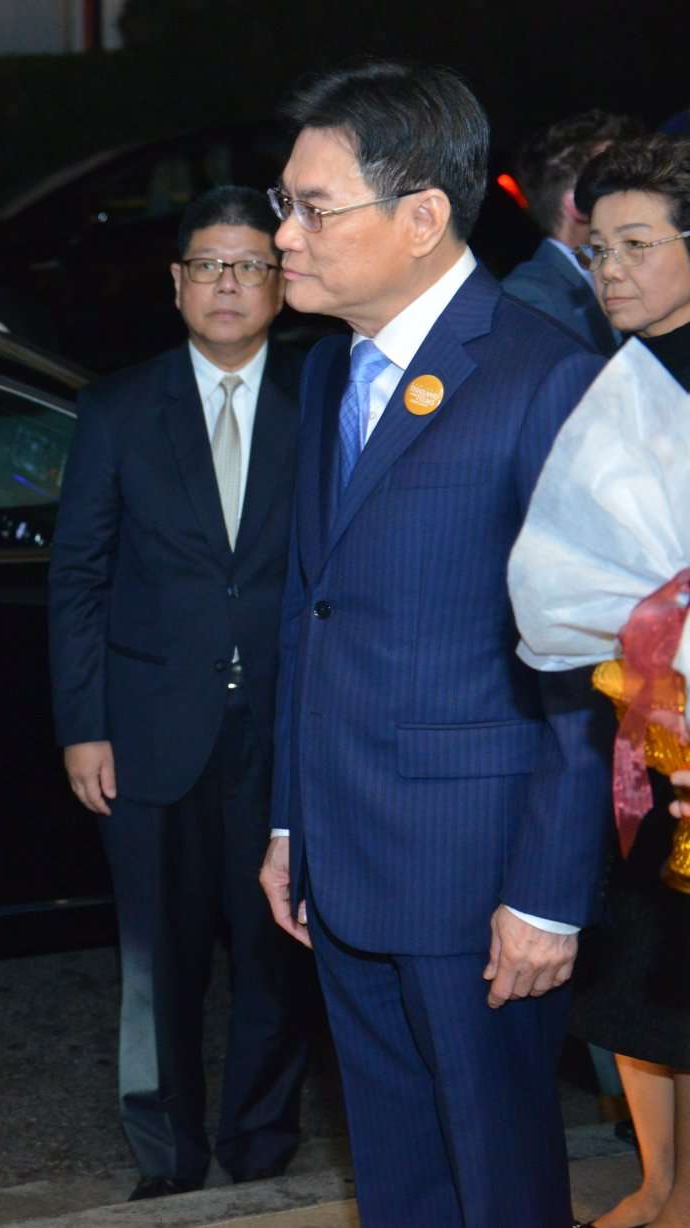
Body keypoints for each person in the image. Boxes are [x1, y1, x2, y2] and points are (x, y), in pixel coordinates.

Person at [255, 62, 607, 1226]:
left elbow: (582, 667)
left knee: (497, 1179)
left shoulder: (542, 377)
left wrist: (549, 896)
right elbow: (312, 605)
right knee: (399, 1179)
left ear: (420, 219)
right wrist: (287, 821)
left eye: (313, 208)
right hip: (342, 860)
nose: (282, 236)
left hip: (476, 876)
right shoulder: (327, 373)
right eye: (281, 203)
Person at [49, 185, 309, 1199]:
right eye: (208, 266)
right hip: (149, 731)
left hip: (282, 730)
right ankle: (167, 1155)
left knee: (273, 950)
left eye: (249, 264)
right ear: (176, 284)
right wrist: (82, 727)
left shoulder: (321, 397)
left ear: (282, 284)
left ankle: (259, 1143)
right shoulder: (118, 405)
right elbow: (79, 574)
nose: (228, 285)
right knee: (155, 962)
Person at [512, 134, 690, 1228]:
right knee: (633, 964)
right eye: (596, 247)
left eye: (635, 245)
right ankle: (656, 1179)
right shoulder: (608, 377)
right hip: (631, 723)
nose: (608, 268)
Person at [503, 110, 645, 356]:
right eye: (616, 182)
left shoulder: (616, 276)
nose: (634, 193)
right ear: (577, 205)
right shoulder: (529, 300)